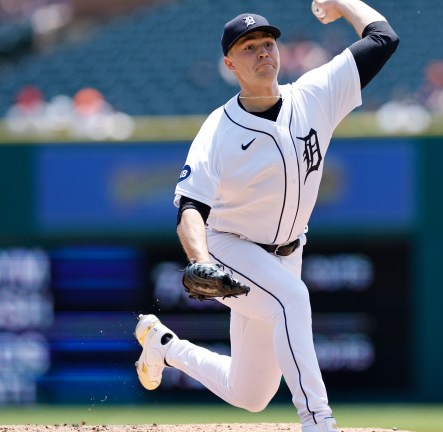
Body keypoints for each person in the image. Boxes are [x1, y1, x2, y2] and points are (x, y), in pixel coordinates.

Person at [134, 1, 398, 431]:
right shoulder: (218, 129)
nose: (262, 52)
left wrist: (340, 2)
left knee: (251, 394)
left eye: (268, 43)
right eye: (249, 46)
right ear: (229, 63)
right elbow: (190, 206)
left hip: (287, 252)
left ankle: (164, 346)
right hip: (231, 248)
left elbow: (384, 38)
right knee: (292, 298)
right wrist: (200, 259)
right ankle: (318, 421)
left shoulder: (314, 95)